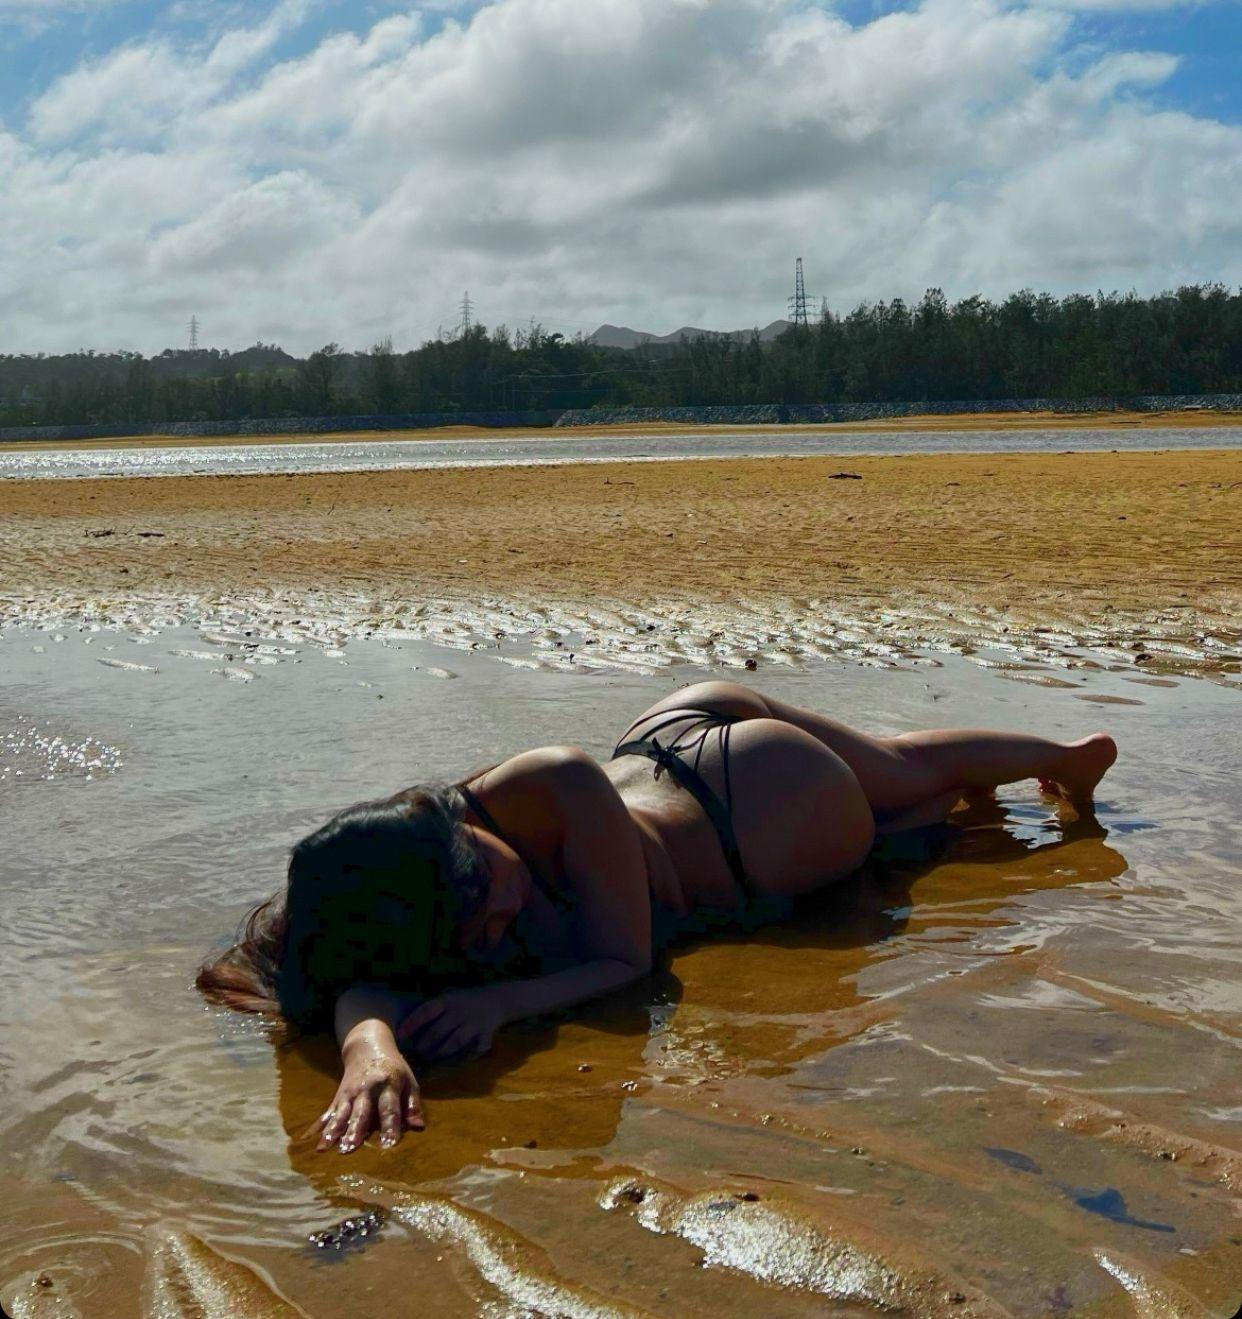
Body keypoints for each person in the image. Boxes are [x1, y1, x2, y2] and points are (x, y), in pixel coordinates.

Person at [197, 679, 1116, 1154]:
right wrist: (370, 1047)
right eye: (473, 916)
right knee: (906, 777)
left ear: (449, 824)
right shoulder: (424, 893)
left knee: (898, 789)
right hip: (686, 751)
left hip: (749, 806)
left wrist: (504, 1004)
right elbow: (369, 982)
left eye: (483, 871)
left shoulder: (546, 778)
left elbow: (627, 962)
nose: (500, 905)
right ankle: (1058, 763)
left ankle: (1033, 770)